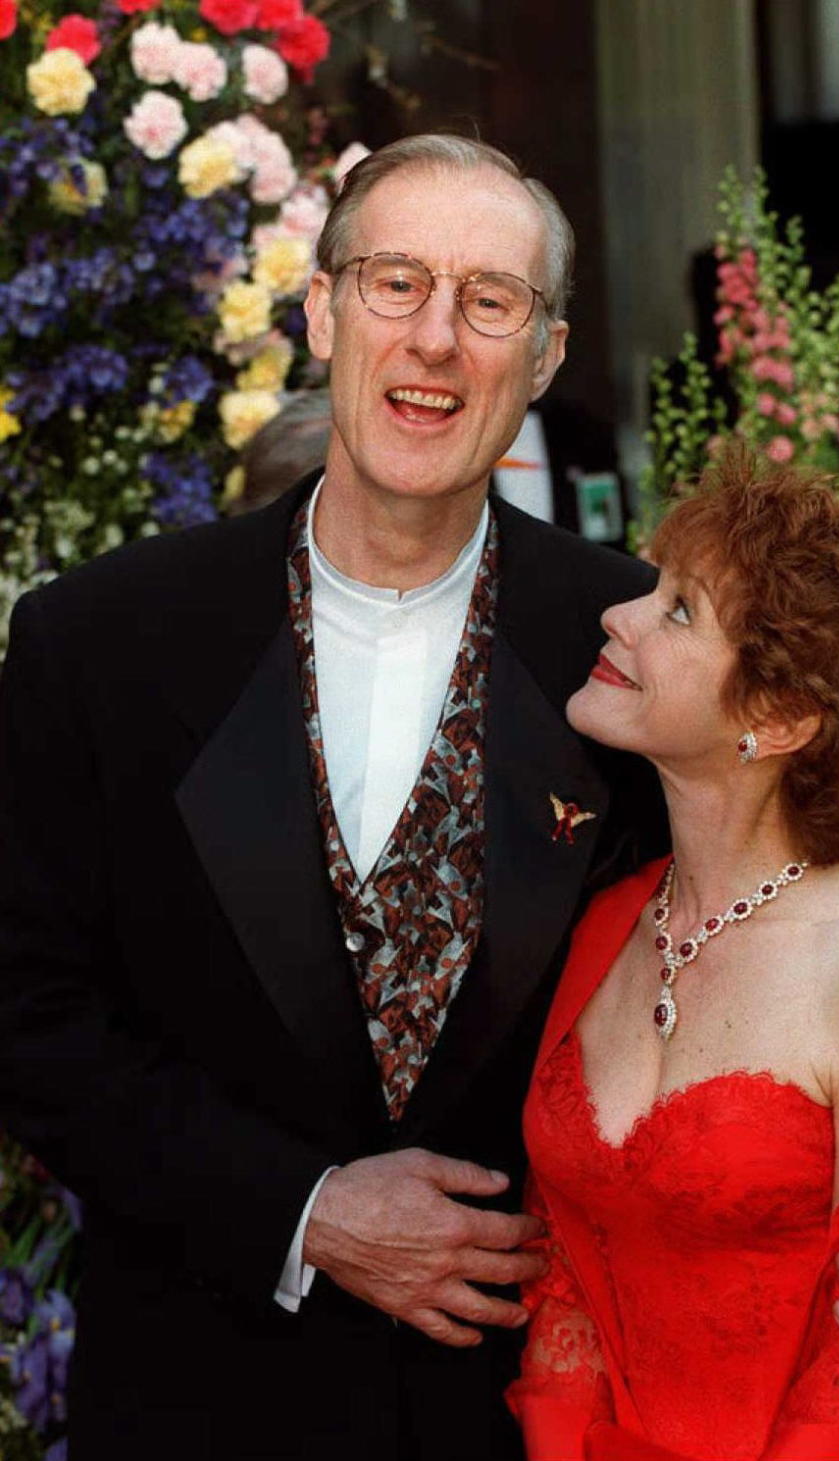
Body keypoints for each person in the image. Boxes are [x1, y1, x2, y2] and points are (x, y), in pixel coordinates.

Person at [0, 136, 669, 1460]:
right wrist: (298, 1209)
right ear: (319, 311)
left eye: (489, 301)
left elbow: (750, 962)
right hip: (200, 1396)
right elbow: (25, 1009)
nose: (433, 339)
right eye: (393, 282)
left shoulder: (637, 647)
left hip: (531, 1414)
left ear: (542, 357)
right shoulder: (102, 642)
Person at [507, 448, 839, 1460]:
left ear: (778, 718)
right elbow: (566, 1282)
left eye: (677, 611)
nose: (620, 615)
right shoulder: (604, 923)